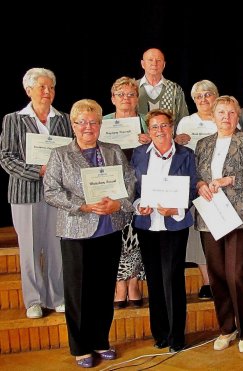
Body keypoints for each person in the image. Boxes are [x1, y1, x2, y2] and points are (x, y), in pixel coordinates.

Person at [43, 99, 135, 368]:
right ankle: (80, 346)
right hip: (76, 232)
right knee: (78, 292)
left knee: (103, 290)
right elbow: (51, 192)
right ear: (73, 125)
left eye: (93, 122)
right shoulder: (60, 154)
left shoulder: (113, 150)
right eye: (82, 122)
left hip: (109, 229)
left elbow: (129, 182)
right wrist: (81, 205)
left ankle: (100, 340)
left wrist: (118, 204)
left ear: (100, 124)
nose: (88, 127)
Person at [195, 95, 243, 353]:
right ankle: (227, 328)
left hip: (240, 216)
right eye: (221, 112)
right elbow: (197, 177)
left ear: (238, 116)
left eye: (231, 113)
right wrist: (201, 184)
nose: (226, 117)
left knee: (238, 274)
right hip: (210, 216)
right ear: (213, 116)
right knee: (217, 275)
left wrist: (229, 180)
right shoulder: (202, 144)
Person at [0, 67, 71, 319]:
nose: (47, 91)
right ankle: (33, 300)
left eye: (50, 87)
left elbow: (70, 154)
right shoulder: (13, 119)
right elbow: (6, 158)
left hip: (57, 194)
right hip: (25, 194)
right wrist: (38, 171)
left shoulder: (63, 119)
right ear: (28, 90)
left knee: (56, 248)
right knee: (30, 249)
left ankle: (58, 296)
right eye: (41, 87)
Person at [131, 109, 196, 352]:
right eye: (155, 127)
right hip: (147, 225)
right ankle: (159, 334)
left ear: (172, 128)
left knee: (173, 279)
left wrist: (177, 208)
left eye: (164, 126)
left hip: (174, 225)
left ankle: (176, 336)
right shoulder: (138, 154)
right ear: (149, 131)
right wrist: (139, 206)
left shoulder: (186, 154)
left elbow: (191, 189)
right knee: (155, 280)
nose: (160, 131)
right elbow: (133, 189)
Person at [103, 76, 151, 309]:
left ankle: (134, 282)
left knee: (137, 234)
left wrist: (149, 141)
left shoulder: (146, 122)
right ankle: (119, 283)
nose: (126, 99)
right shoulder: (102, 123)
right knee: (118, 234)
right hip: (112, 186)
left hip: (141, 186)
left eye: (131, 95)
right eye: (121, 94)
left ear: (137, 99)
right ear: (112, 98)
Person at [175, 80, 219, 300]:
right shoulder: (186, 122)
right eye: (199, 96)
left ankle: (223, 278)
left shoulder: (225, 116)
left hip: (220, 184)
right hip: (194, 182)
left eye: (208, 94)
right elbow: (177, 152)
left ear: (216, 96)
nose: (204, 99)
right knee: (198, 233)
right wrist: (177, 141)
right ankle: (207, 281)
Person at [138, 48, 189, 126]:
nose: (154, 63)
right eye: (150, 60)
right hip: (138, 138)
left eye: (158, 60)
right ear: (143, 64)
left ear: (164, 64)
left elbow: (184, 119)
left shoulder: (175, 89)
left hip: (169, 138)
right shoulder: (132, 89)